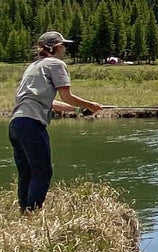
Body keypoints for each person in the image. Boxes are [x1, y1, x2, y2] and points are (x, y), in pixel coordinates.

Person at [8, 30, 102, 213]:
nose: (65, 48)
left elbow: (48, 102)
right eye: (64, 45)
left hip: (16, 124)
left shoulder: (34, 66)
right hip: (32, 124)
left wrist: (78, 110)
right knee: (43, 172)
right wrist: (91, 105)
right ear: (57, 47)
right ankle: (32, 214)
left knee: (26, 172)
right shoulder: (56, 64)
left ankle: (24, 212)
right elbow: (66, 96)